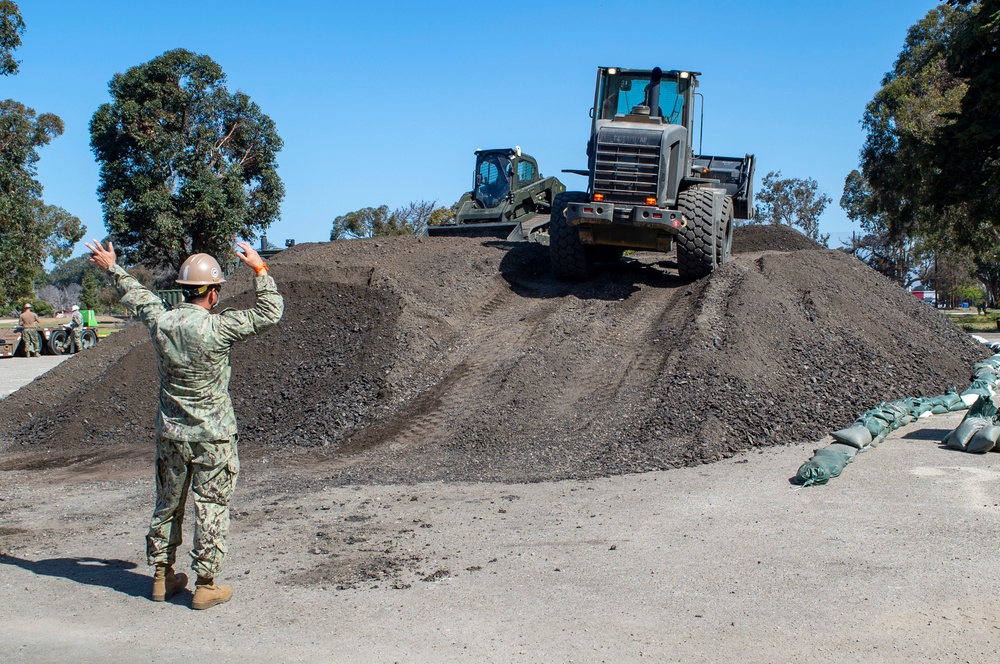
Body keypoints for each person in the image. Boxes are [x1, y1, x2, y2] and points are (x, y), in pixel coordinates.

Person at [85, 239, 284, 610]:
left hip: (172, 434)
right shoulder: (220, 327)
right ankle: (206, 584)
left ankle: (162, 576)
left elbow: (137, 295)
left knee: (168, 502)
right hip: (214, 436)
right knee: (211, 505)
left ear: (184, 289)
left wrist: (112, 266)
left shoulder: (161, 321)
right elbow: (270, 312)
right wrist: (260, 269)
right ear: (213, 292)